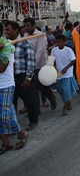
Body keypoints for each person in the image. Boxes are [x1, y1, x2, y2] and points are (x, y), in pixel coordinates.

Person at [4, 21, 40, 131]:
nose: (6, 32)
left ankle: (33, 121)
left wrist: (28, 78)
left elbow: (31, 62)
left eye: (8, 30)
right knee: (11, 102)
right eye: (5, 30)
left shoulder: (25, 43)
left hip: (22, 76)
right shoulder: (5, 44)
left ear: (16, 30)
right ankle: (12, 125)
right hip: (10, 77)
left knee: (29, 100)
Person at [0, 23, 28, 154]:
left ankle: (21, 133)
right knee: (7, 114)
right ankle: (6, 143)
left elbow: (1, 68)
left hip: (5, 85)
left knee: (5, 116)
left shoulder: (7, 47)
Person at [23, 17, 57, 110]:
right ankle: (35, 111)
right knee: (33, 89)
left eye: (28, 26)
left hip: (40, 66)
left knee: (43, 87)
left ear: (33, 26)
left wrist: (31, 66)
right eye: (24, 26)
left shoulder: (40, 35)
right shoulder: (25, 35)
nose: (26, 28)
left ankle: (52, 98)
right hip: (30, 66)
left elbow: (39, 53)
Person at [51, 35, 79, 116]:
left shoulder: (68, 50)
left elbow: (73, 60)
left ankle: (65, 107)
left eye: (60, 42)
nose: (59, 44)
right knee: (60, 89)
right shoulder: (54, 50)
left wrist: (66, 68)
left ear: (64, 42)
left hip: (67, 73)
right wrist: (53, 68)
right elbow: (52, 60)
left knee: (65, 88)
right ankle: (68, 101)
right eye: (57, 42)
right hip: (59, 73)